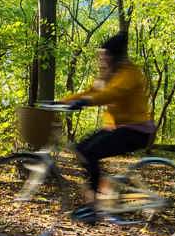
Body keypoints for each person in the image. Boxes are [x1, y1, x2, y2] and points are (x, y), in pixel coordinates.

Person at [59, 33, 155, 222]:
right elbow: (92, 91)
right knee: (81, 150)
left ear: (114, 57)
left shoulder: (130, 73)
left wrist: (86, 102)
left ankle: (93, 209)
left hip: (137, 130)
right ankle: (100, 198)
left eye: (105, 56)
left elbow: (112, 93)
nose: (102, 59)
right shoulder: (107, 75)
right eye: (101, 56)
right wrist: (61, 101)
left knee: (91, 153)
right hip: (116, 128)